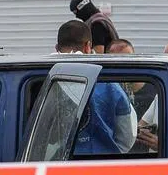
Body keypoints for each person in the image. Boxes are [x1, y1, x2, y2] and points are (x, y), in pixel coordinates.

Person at [54, 20, 136, 154]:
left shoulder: (49, 82)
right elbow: (127, 136)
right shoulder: (110, 84)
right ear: (88, 46)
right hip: (103, 168)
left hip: (62, 167)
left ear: (56, 48)